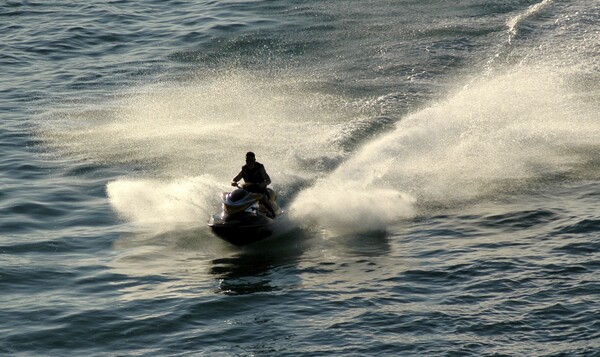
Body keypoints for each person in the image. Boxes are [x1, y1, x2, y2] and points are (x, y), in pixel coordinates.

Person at [231, 152, 276, 218]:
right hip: (248, 190)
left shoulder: (260, 167)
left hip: (260, 190)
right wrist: (234, 182)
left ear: (254, 160)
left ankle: (273, 214)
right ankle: (232, 213)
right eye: (247, 161)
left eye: (250, 161)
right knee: (236, 196)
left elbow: (268, 181)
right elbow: (234, 180)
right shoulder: (244, 169)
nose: (249, 163)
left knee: (263, 198)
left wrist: (263, 184)